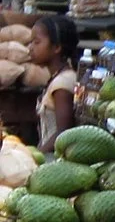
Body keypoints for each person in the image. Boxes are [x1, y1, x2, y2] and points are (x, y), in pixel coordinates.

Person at [29, 14, 78, 150]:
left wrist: (37, 155)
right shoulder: (57, 78)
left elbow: (63, 133)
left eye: (37, 42)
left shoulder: (62, 84)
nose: (30, 47)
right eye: (31, 42)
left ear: (57, 47)